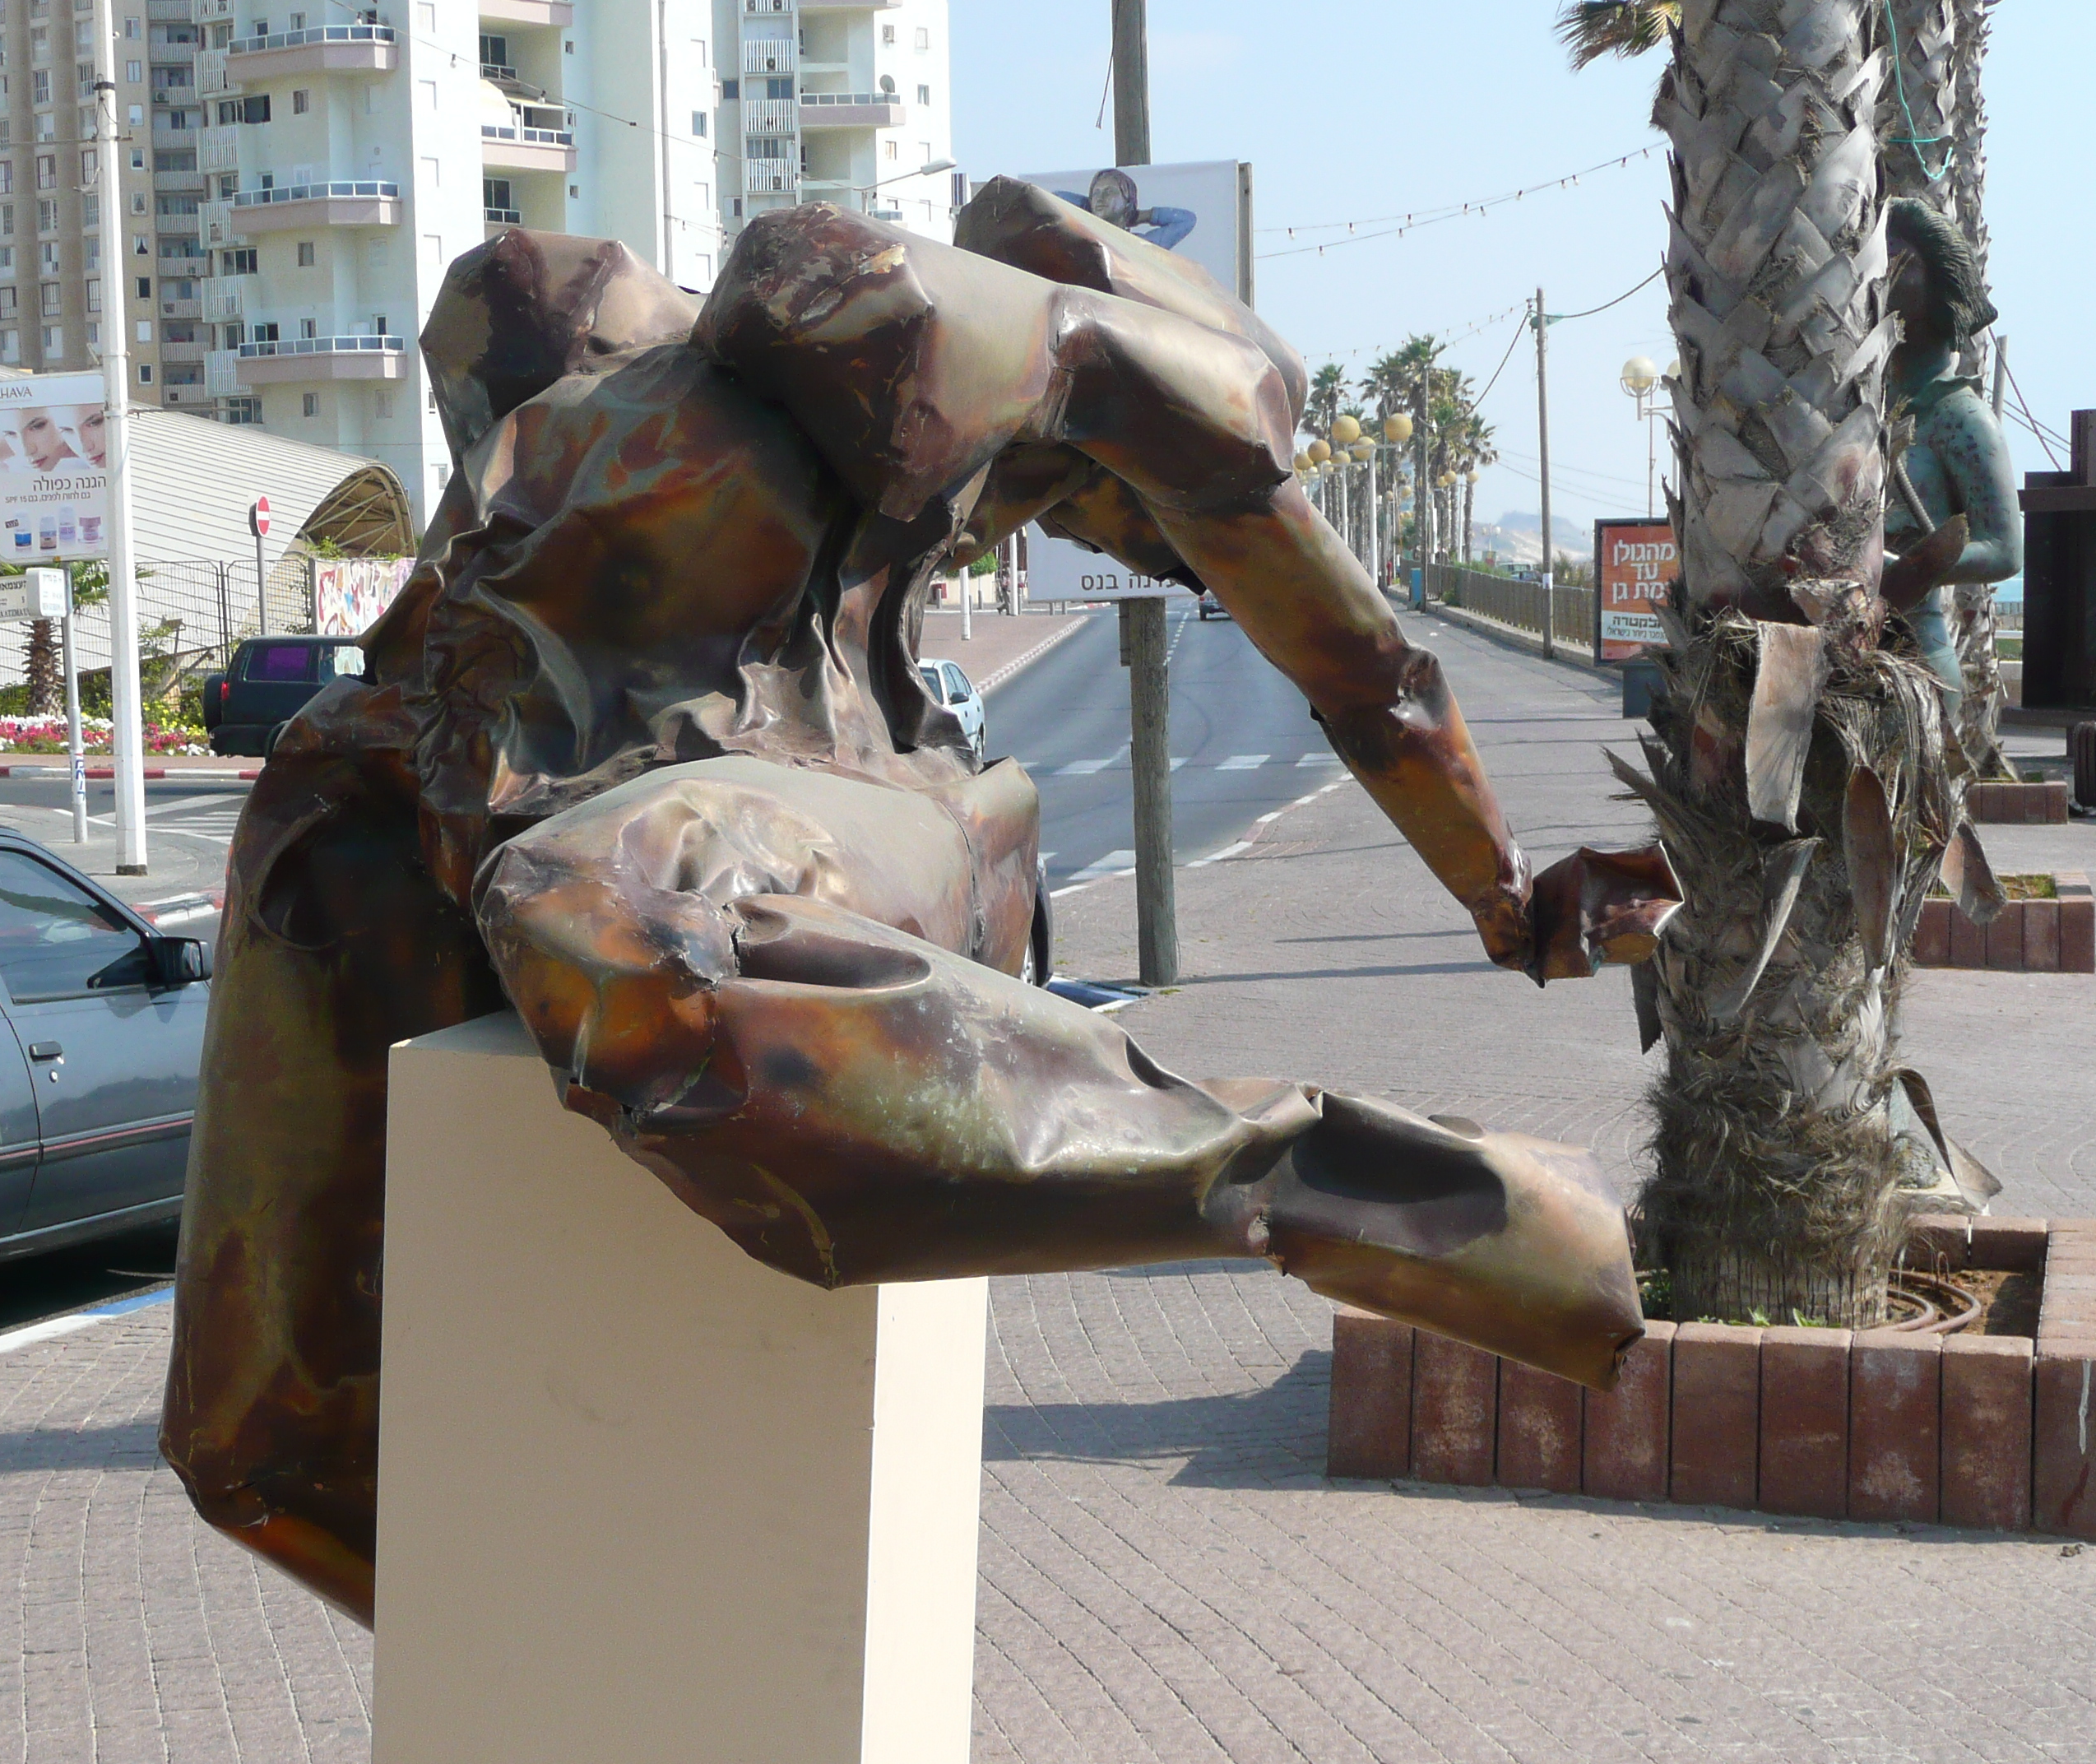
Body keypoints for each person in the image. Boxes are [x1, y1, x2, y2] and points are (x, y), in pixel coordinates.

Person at [160, 193, 1672, 1625]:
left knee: (607, 915)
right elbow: (1358, 656)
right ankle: (547, 1665)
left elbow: (1357, 655)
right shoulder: (711, 341)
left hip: (787, 798)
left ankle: (1361, 1187)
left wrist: (1493, 882)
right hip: (474, 782)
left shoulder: (865, 335)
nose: (1118, 534)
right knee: (248, 1441)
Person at [1880, 197, 2020, 754]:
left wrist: (1914, 568)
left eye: (1901, 263)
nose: (1883, 273)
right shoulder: (1859, 404)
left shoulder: (1960, 416)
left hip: (1915, 663)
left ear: (1940, 288)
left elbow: (2006, 550)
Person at [1051, 165, 1196, 251]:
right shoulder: (1082, 240)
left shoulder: (1138, 246)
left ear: (1128, 203)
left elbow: (1186, 220)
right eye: (1096, 193)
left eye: (1109, 192)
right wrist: (1090, 207)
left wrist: (1143, 215)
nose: (1100, 198)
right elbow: (1055, 197)